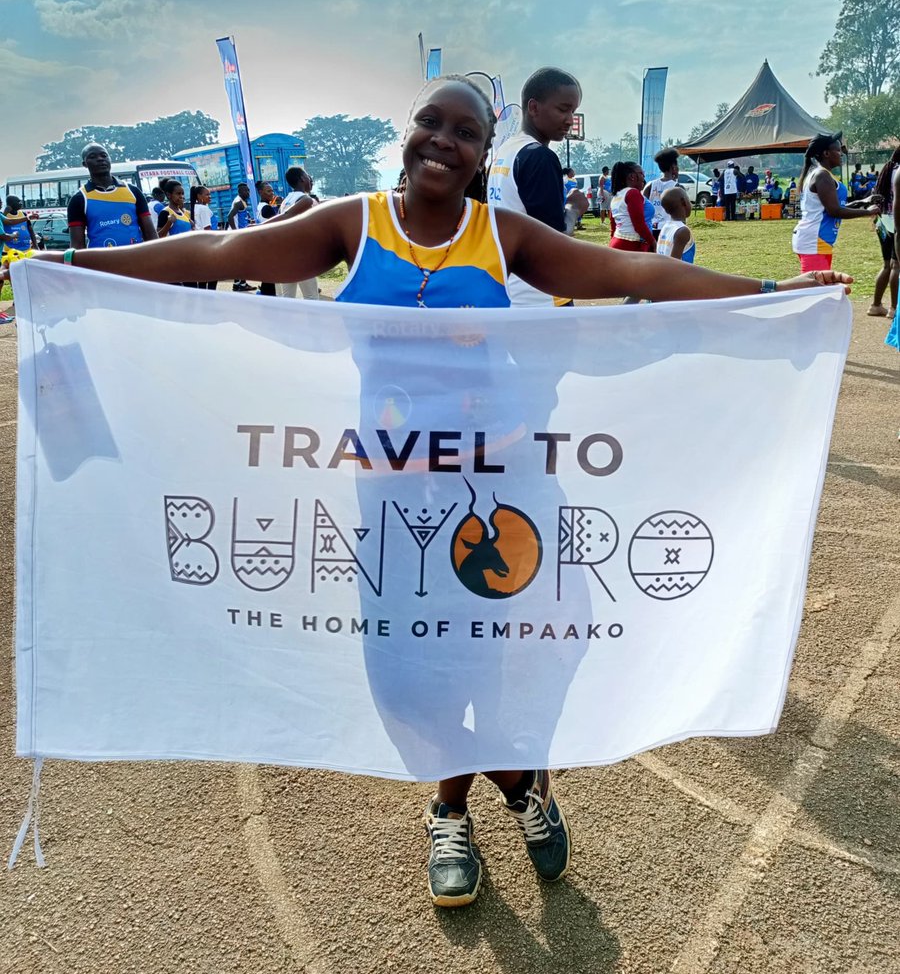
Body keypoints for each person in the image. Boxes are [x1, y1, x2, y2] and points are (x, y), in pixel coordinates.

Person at [18, 75, 853, 909]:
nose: (442, 140)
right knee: (405, 679)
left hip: (499, 492)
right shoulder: (356, 224)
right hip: (390, 496)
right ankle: (523, 783)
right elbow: (215, 256)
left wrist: (776, 297)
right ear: (407, 133)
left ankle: (449, 810)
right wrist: (74, 265)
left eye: (464, 131)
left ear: (485, 154)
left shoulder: (503, 236)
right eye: (431, 122)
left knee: (482, 664)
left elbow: (626, 270)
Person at [487, 66, 581, 305]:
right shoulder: (539, 157)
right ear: (533, 107)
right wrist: (574, 208)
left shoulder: (503, 153)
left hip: (511, 288)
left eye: (574, 111)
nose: (570, 120)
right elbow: (553, 242)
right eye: (563, 109)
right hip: (544, 297)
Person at [791, 132, 880, 272]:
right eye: (838, 150)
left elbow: (833, 207)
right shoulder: (822, 175)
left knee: (821, 287)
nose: (841, 154)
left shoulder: (823, 174)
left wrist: (863, 201)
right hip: (814, 241)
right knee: (816, 290)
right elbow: (834, 211)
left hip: (818, 240)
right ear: (826, 153)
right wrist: (867, 212)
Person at [66, 143, 155, 249]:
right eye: (93, 157)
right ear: (84, 164)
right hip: (100, 263)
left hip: (136, 260)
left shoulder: (133, 191)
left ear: (109, 159)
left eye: (104, 155)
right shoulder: (79, 199)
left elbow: (151, 235)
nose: (100, 159)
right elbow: (77, 246)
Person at [273, 166, 320, 300]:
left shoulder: (286, 200)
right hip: (301, 255)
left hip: (285, 255)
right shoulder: (305, 200)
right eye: (308, 175)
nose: (310, 179)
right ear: (302, 179)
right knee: (311, 297)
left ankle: (285, 321)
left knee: (287, 298)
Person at [868, 144, 900, 319]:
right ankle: (894, 308)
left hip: (881, 221)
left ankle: (876, 305)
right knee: (897, 265)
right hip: (896, 222)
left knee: (887, 264)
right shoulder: (899, 171)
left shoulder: (888, 169)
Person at [0, 194, 39, 323]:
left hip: (25, 250)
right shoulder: (2, 214)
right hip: (9, 252)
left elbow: (26, 228)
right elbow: (6, 230)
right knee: (8, 278)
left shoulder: (19, 213)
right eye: (18, 201)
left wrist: (27, 218)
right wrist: (13, 235)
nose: (21, 203)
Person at [608, 161, 655, 253]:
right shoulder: (633, 193)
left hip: (617, 242)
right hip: (632, 245)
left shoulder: (617, 196)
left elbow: (613, 226)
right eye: (642, 173)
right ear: (632, 176)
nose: (644, 177)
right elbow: (639, 225)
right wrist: (653, 242)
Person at [643, 147, 681, 236]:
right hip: (669, 229)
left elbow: (642, 206)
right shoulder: (676, 187)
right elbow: (683, 211)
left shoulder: (650, 185)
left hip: (652, 228)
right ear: (674, 167)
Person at [226, 182, 255, 292]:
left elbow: (241, 216)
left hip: (240, 233)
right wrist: (235, 232)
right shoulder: (239, 202)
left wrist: (249, 220)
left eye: (248, 190)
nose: (247, 192)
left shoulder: (242, 201)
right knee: (242, 261)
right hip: (237, 235)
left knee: (239, 261)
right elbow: (229, 216)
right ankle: (241, 285)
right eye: (245, 191)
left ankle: (238, 284)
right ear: (239, 192)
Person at [189, 185, 218, 291]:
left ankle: (203, 296)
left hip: (198, 244)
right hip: (207, 244)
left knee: (202, 275)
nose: (209, 196)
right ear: (199, 196)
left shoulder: (194, 208)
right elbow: (207, 229)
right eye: (207, 194)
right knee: (213, 275)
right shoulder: (204, 209)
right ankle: (211, 296)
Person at [656, 187, 696, 263]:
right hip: (680, 274)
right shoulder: (682, 231)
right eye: (689, 200)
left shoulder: (665, 227)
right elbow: (674, 265)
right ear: (684, 202)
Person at [254, 183, 279, 297]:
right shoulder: (267, 208)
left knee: (268, 276)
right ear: (260, 192)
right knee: (271, 277)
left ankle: (264, 294)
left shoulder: (260, 206)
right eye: (268, 191)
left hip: (264, 243)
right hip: (270, 244)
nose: (272, 193)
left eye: (272, 191)